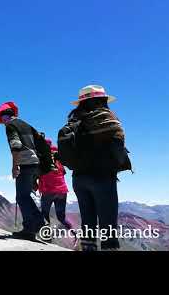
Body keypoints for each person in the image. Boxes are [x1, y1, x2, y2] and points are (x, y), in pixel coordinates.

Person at [63, 85, 130, 251]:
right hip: (102, 178)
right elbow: (118, 150)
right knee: (108, 222)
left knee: (87, 219)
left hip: (78, 178)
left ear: (81, 102)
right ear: (102, 100)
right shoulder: (107, 119)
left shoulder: (74, 121)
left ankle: (88, 248)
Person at [0, 101, 46, 241]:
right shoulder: (26, 124)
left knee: (22, 197)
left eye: (2, 119)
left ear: (5, 117)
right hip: (36, 163)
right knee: (25, 195)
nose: (3, 123)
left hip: (26, 163)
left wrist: (15, 166)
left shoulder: (11, 126)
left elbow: (15, 146)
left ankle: (36, 223)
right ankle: (31, 228)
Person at [38, 138, 72, 230]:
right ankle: (75, 235)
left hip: (48, 190)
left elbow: (38, 172)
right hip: (62, 191)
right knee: (61, 217)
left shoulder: (41, 156)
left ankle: (46, 236)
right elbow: (64, 172)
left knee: (44, 215)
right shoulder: (58, 156)